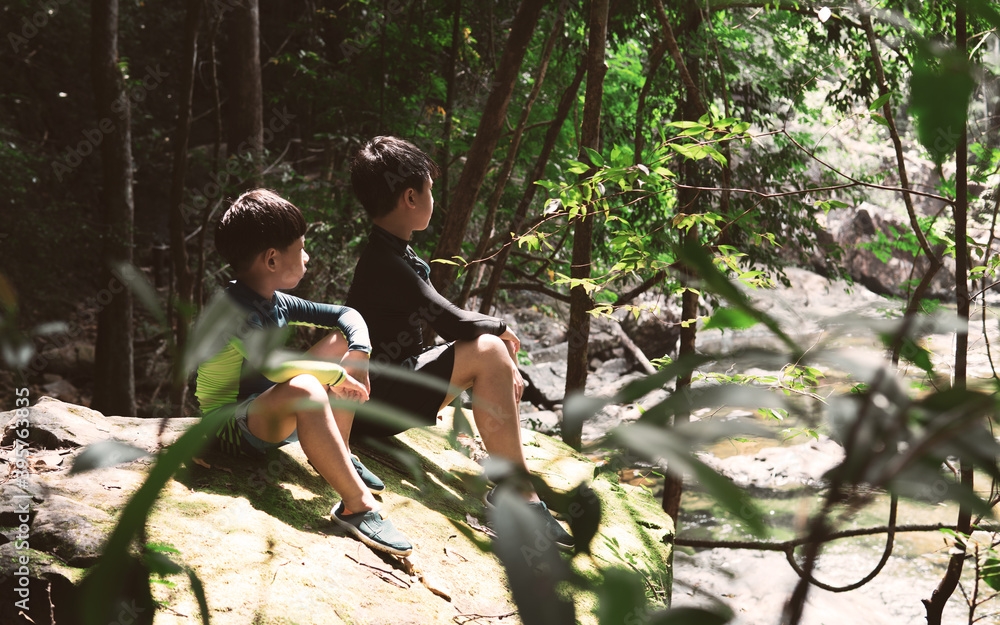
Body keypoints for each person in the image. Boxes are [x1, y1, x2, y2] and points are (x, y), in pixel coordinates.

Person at [345, 136, 574, 550]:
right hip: (373, 404)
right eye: (430, 188)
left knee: (492, 355)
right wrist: (501, 330)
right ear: (411, 197)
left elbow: (446, 321)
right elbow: (451, 322)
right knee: (489, 350)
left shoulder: (391, 253)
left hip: (386, 391)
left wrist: (501, 366)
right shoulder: (385, 261)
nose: (435, 196)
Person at [195, 188, 413, 556]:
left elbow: (347, 314)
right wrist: (338, 379)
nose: (307, 255)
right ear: (272, 259)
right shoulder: (231, 308)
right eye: (302, 246)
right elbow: (273, 365)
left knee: (342, 342)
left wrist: (360, 350)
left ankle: (338, 453)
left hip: (266, 409)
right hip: (228, 427)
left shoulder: (273, 300)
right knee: (307, 388)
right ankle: (357, 507)